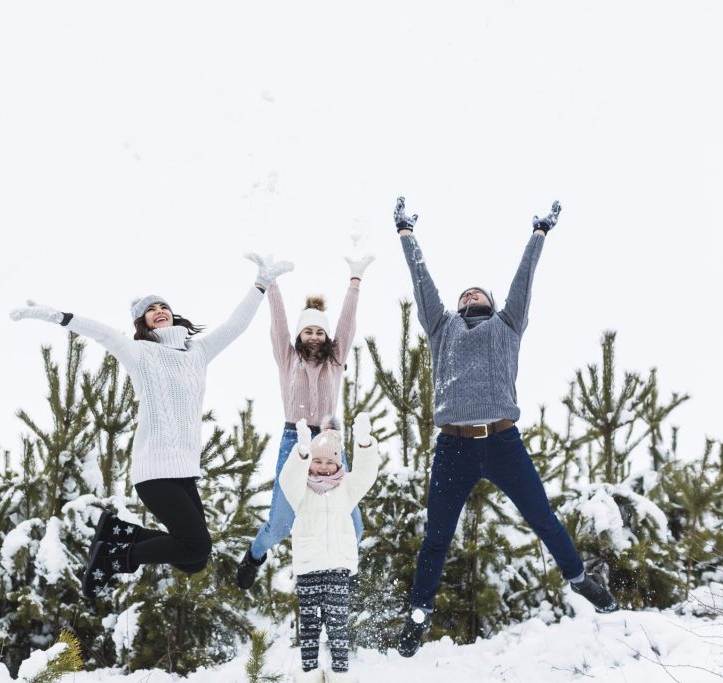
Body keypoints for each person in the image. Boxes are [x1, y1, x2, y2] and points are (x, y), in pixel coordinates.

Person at [392, 197, 617, 658]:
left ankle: (579, 579)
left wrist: (539, 234)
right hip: (453, 447)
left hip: (502, 443)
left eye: (478, 293)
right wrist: (406, 234)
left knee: (543, 518)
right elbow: (422, 285)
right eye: (464, 294)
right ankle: (418, 616)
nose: (469, 296)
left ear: (493, 303)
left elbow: (524, 282)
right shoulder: (442, 327)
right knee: (436, 538)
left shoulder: (508, 324)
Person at [9, 254, 293, 598]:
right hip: (154, 470)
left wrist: (260, 285)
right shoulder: (140, 353)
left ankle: (117, 534)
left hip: (185, 471)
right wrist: (59, 317)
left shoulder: (197, 353)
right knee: (196, 547)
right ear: (142, 321)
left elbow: (235, 326)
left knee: (192, 560)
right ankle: (115, 557)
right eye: (150, 309)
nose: (160, 310)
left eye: (163, 305)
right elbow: (103, 334)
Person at [236, 255, 373, 589]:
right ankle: (255, 554)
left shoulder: (335, 360)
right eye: (308, 330)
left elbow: (347, 325)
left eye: (319, 331)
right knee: (281, 525)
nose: (314, 336)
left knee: (354, 525)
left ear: (326, 337)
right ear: (300, 335)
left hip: (329, 443)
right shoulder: (288, 359)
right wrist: (271, 283)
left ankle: (344, 573)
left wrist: (355, 278)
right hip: (294, 442)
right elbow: (278, 323)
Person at [280, 414, 380, 683]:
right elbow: (286, 480)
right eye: (317, 460)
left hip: (338, 567)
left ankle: (339, 674)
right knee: (310, 625)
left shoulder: (345, 488)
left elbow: (367, 474)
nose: (323, 467)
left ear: (338, 463)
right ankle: (310, 673)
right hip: (308, 568)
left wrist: (364, 443)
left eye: (329, 461)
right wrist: (301, 452)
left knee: (337, 624)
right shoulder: (301, 490)